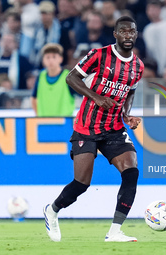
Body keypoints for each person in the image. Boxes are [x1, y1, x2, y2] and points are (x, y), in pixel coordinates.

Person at [43, 16, 144, 242]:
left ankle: (115, 231)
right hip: (86, 127)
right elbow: (71, 78)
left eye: (132, 32)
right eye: (123, 31)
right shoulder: (99, 55)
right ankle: (52, 210)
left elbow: (130, 92)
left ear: (136, 35)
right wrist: (97, 98)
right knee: (82, 184)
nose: (128, 35)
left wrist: (127, 115)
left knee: (131, 171)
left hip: (114, 128)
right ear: (115, 34)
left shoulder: (137, 66)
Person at [31, 43, 76, 117]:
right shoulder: (41, 76)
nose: (51, 60)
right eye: (48, 57)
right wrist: (38, 116)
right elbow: (33, 98)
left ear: (60, 59)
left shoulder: (68, 76)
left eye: (54, 57)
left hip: (64, 123)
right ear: (43, 60)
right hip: (44, 122)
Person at [143, 0, 166, 75]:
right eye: (150, 9)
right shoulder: (147, 30)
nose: (152, 12)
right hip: (154, 70)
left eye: (155, 9)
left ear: (160, 10)